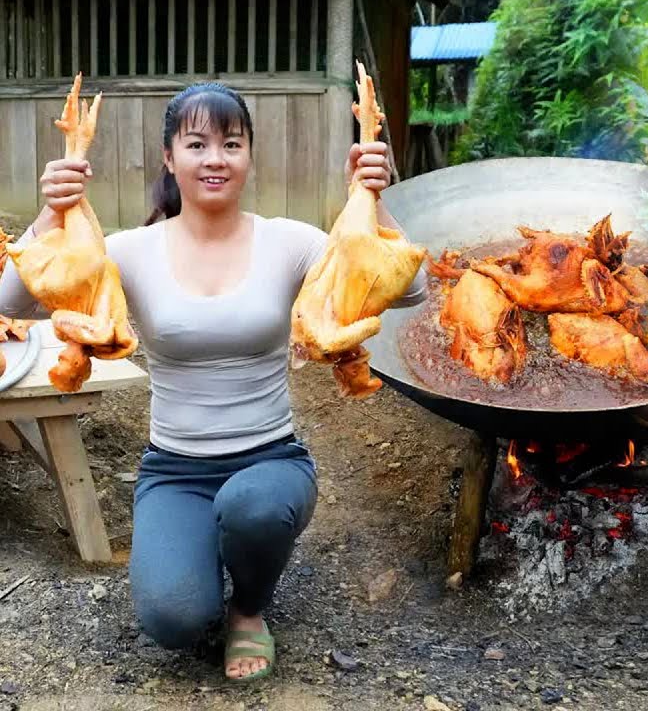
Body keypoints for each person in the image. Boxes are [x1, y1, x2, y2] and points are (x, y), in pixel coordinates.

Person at [0, 83, 426, 681]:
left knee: (253, 507)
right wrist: (52, 210)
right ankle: (202, 569)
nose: (215, 158)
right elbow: (12, 300)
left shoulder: (292, 243)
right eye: (196, 144)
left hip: (271, 460)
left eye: (232, 143)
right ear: (170, 158)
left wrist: (374, 197)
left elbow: (409, 287)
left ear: (249, 155)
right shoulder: (128, 252)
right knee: (172, 620)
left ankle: (249, 607)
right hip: (174, 470)